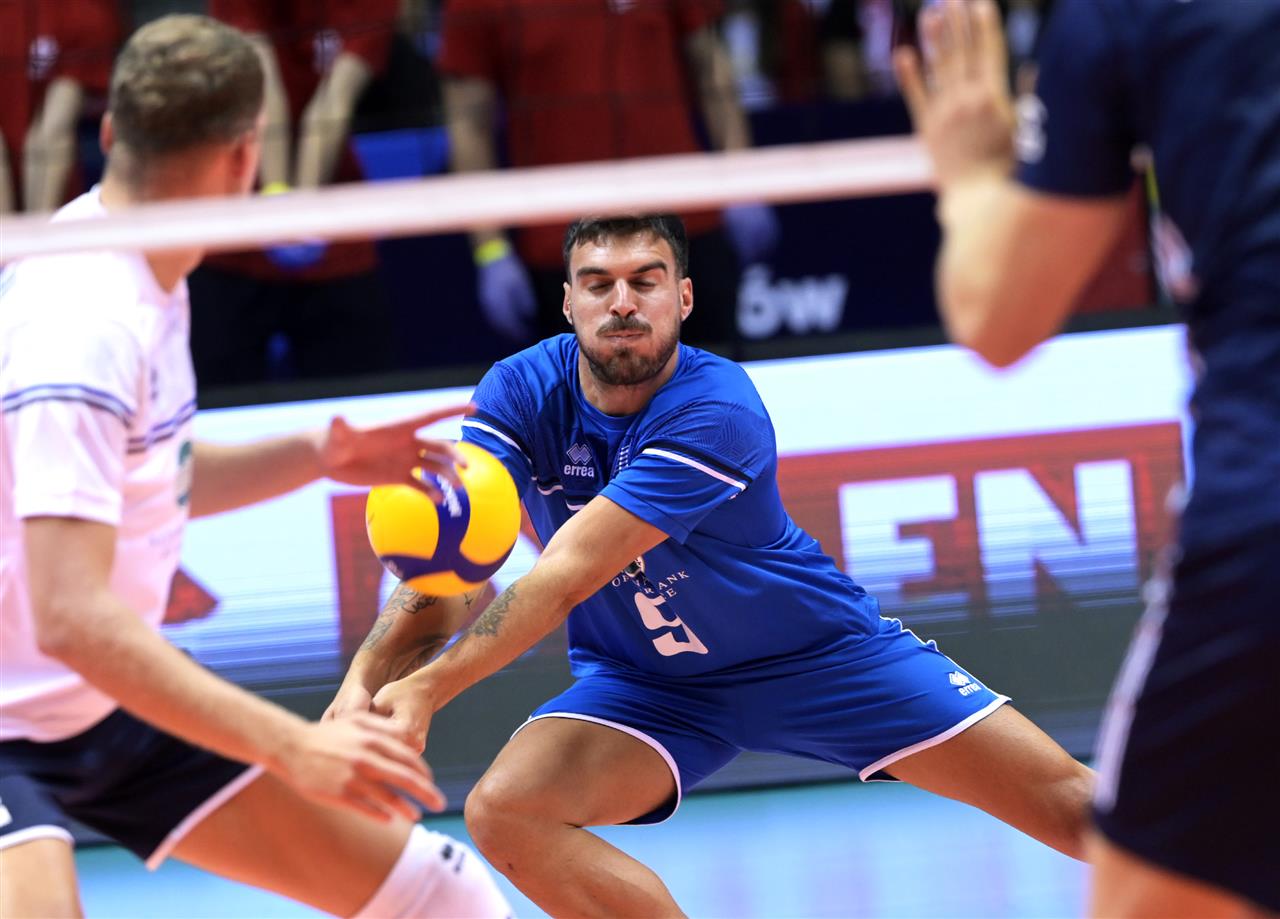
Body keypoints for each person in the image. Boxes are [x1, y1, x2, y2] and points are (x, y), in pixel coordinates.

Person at [328, 213, 1093, 916]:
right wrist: (363, 682)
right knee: (506, 809)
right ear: (567, 302)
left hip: (816, 658)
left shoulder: (717, 407)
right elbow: (457, 561)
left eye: (645, 281)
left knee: (1074, 807)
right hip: (649, 682)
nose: (621, 303)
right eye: (598, 284)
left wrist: (425, 688)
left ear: (684, 297)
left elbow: (564, 577)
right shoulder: (520, 390)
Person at [0, 15, 510, 918]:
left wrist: (320, 456)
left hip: (96, 705)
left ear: (110, 133)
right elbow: (71, 615)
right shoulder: (85, 321)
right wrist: (292, 743)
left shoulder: (136, 259)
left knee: (443, 893)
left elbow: (148, 471)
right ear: (247, 158)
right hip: (16, 712)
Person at [892, 1, 1279, 916]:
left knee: (1150, 898)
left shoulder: (1129, 15)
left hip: (1263, 516)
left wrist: (969, 176)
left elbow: (995, 315)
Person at [438, 0, 780, 347]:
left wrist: (741, 185)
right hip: (564, 249)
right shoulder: (474, 5)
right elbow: (468, 126)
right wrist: (491, 250)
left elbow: (712, 70)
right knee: (584, 384)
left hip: (686, 234)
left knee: (710, 378)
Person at [189, 0, 402, 386]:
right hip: (234, 237)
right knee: (215, 400)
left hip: (334, 238)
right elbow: (261, 85)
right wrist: (275, 197)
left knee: (359, 397)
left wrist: (301, 211)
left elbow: (335, 98)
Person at [0, 0, 121, 214]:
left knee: (52, 135)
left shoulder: (83, 13)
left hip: (55, 197)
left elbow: (55, 130)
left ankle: (44, 230)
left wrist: (44, 229)